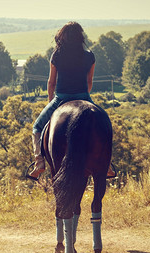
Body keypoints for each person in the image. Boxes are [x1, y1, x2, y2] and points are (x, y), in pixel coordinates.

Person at [29, 21, 97, 179]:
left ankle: (39, 163)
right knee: (104, 124)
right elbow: (89, 82)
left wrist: (51, 101)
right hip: (84, 96)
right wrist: (83, 98)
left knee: (37, 127)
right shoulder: (90, 56)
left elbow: (51, 82)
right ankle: (106, 165)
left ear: (63, 37)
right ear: (81, 37)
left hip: (61, 98)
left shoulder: (57, 55)